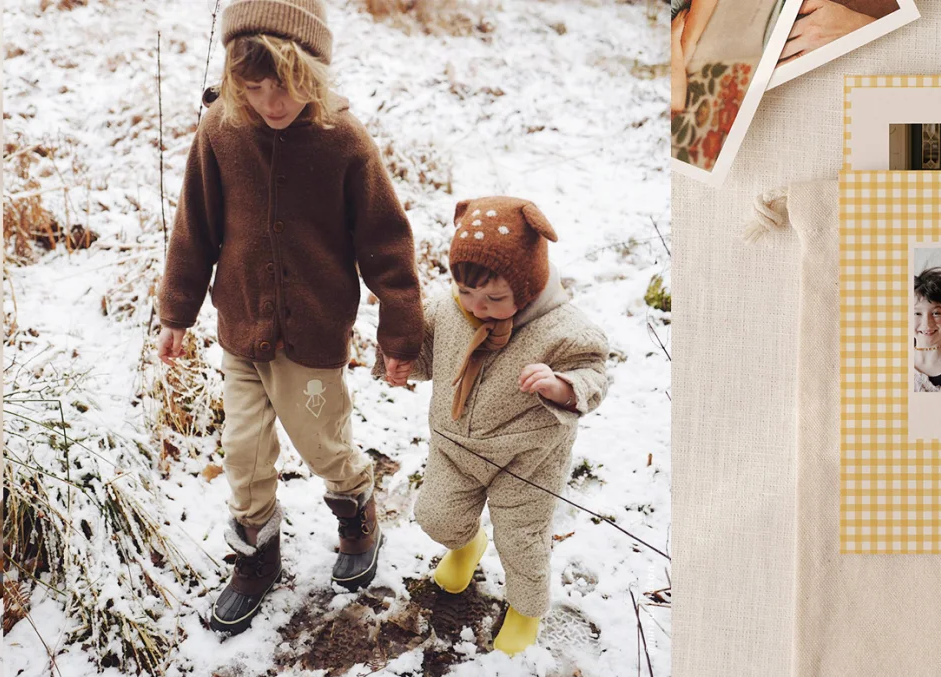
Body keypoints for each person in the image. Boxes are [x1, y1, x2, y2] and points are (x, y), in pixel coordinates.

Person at [154, 0, 426, 635]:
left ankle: (357, 510)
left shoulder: (344, 143)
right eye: (253, 88)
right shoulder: (221, 131)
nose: (271, 103)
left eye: (286, 87)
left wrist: (400, 332)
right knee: (243, 452)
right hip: (242, 329)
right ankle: (256, 556)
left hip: (311, 338)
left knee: (321, 442)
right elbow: (195, 226)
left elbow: (386, 243)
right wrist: (176, 311)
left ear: (316, 74)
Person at [384, 196, 611, 656]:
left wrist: (561, 385)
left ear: (527, 284)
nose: (477, 307)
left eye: (494, 299)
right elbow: (427, 350)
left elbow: (593, 372)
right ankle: (467, 545)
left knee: (522, 541)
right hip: (455, 446)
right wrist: (402, 359)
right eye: (467, 293)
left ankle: (526, 610)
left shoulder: (562, 328)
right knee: (436, 515)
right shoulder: (450, 310)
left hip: (527, 459)